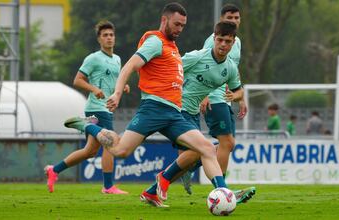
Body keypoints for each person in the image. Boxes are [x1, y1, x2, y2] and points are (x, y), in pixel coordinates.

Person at [64, 2, 235, 208]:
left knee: (207, 148)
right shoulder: (155, 41)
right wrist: (117, 92)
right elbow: (130, 65)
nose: (180, 29)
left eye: (183, 26)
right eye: (176, 24)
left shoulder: (172, 47)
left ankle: (223, 193)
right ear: (164, 20)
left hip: (173, 113)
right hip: (153, 109)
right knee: (120, 151)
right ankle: (88, 126)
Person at [142, 21, 255, 207]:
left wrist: (236, 95)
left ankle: (152, 191)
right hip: (177, 109)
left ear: (233, 42)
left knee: (195, 154)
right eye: (220, 40)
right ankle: (223, 191)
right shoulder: (197, 57)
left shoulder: (230, 68)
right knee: (200, 149)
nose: (223, 45)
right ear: (214, 38)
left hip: (192, 112)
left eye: (228, 41)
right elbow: (170, 70)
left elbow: (239, 89)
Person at [44, 20, 129, 194]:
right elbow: (77, 80)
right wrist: (93, 89)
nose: (109, 38)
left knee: (89, 151)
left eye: (111, 35)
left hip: (106, 108)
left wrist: (121, 88)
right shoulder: (93, 58)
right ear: (99, 39)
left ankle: (55, 170)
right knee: (111, 142)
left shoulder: (117, 59)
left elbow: (110, 84)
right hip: (96, 108)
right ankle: (108, 186)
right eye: (105, 35)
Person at [180, 4, 247, 195]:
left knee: (228, 144)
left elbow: (233, 69)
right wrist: (205, 96)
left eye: (236, 18)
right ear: (221, 20)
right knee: (226, 143)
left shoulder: (237, 42)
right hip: (214, 98)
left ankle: (188, 168)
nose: (233, 21)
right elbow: (203, 65)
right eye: (229, 18)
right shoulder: (213, 40)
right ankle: (222, 190)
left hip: (226, 98)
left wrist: (240, 97)